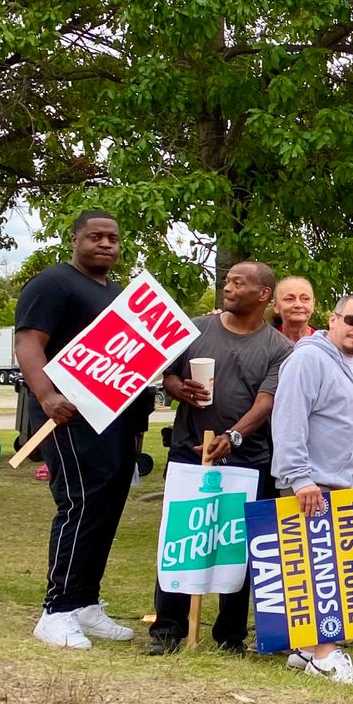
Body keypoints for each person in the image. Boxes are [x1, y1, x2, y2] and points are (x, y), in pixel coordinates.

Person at [148, 261, 293, 655]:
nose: (227, 288)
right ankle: (168, 631)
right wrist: (179, 388)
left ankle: (229, 635)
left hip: (248, 460)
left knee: (238, 544)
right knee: (180, 538)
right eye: (227, 281)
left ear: (263, 295)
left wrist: (234, 435)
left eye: (238, 283)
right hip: (188, 451)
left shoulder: (279, 348)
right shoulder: (196, 328)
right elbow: (169, 375)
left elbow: (267, 401)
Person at [14, 210, 143, 649]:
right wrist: (46, 395)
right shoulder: (53, 283)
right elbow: (29, 341)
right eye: (95, 236)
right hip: (66, 416)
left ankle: (84, 602)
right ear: (74, 239)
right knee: (80, 503)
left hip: (112, 418)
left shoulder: (121, 295)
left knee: (106, 507)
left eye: (113, 237)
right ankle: (56, 610)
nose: (106, 244)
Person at [272, 294, 353, 686]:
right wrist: (300, 477)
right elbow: (288, 418)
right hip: (315, 483)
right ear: (332, 319)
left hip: (346, 485)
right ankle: (326, 654)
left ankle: (306, 648)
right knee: (323, 573)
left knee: (323, 570)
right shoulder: (309, 358)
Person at [272, 276, 317, 343]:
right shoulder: (265, 341)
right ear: (275, 306)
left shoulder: (325, 344)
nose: (298, 305)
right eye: (289, 299)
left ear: (313, 304)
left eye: (305, 299)